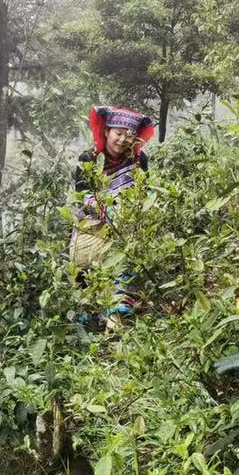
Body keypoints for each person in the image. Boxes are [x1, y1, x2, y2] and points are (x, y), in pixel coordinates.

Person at [70, 105, 154, 326]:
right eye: (118, 133)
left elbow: (145, 191)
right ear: (107, 131)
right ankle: (88, 324)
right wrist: (106, 211)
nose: (122, 140)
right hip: (92, 225)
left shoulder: (139, 160)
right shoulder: (89, 158)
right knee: (85, 273)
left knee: (124, 266)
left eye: (129, 136)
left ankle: (117, 318)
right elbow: (83, 194)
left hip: (125, 226)